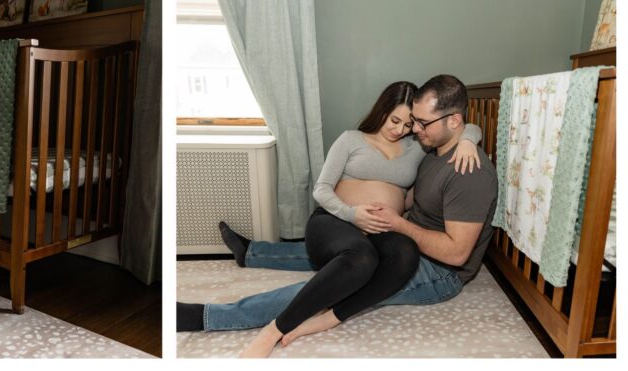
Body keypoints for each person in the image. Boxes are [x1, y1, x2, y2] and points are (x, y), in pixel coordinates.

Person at [178, 75, 498, 356]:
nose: (413, 129)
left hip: (438, 272)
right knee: (346, 258)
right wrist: (471, 135)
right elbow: (464, 125)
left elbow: (456, 254)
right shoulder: (435, 147)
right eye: (412, 120)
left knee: (330, 282)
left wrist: (399, 223)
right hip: (403, 238)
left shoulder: (468, 171)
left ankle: (211, 316)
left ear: (452, 122)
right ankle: (253, 253)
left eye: (420, 123)